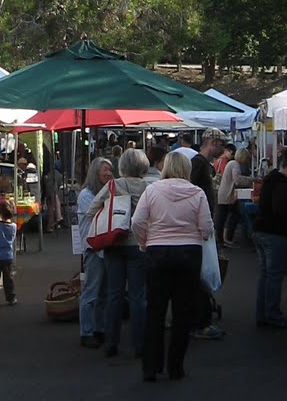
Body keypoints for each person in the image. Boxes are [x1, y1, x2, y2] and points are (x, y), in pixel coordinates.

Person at [131, 151, 213, 382]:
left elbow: (137, 221)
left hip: (158, 251)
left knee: (154, 310)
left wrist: (144, 241)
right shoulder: (197, 193)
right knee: (182, 311)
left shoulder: (152, 190)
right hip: (189, 252)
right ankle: (175, 367)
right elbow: (206, 227)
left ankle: (151, 367)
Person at [89, 148, 152, 359]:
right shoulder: (149, 188)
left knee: (114, 294)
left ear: (122, 166)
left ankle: (111, 342)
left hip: (114, 243)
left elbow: (91, 209)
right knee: (138, 296)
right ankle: (140, 344)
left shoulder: (114, 185)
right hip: (139, 244)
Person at [253, 147, 287, 329]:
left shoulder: (272, 178)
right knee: (274, 276)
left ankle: (263, 313)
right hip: (276, 234)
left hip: (262, 231)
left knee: (266, 275)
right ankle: (272, 313)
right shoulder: (282, 184)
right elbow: (281, 210)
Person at [77, 156, 114, 348]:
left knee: (104, 292)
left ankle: (99, 328)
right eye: (105, 169)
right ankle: (87, 331)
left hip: (106, 248)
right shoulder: (86, 195)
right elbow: (98, 213)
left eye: (110, 169)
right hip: (93, 248)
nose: (108, 173)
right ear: (95, 172)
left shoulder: (107, 192)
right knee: (91, 291)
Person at [215, 145, 249, 250]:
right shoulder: (235, 164)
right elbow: (237, 180)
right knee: (232, 215)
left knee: (224, 217)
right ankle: (225, 239)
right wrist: (251, 179)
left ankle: (222, 239)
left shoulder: (232, 163)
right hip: (227, 195)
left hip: (224, 194)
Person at [189, 128, 224, 217]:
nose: (222, 149)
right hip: (199, 214)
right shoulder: (198, 163)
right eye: (221, 145)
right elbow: (191, 187)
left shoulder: (206, 164)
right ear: (213, 143)